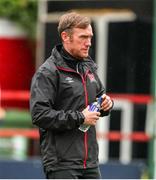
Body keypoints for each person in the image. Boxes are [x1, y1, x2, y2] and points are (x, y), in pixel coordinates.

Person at [30, 11, 113, 179]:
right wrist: (79, 118)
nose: (88, 43)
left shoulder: (89, 68)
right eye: (83, 37)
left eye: (90, 37)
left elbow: (99, 99)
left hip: (90, 162)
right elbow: (39, 115)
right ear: (65, 37)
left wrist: (106, 105)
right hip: (62, 163)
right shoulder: (48, 72)